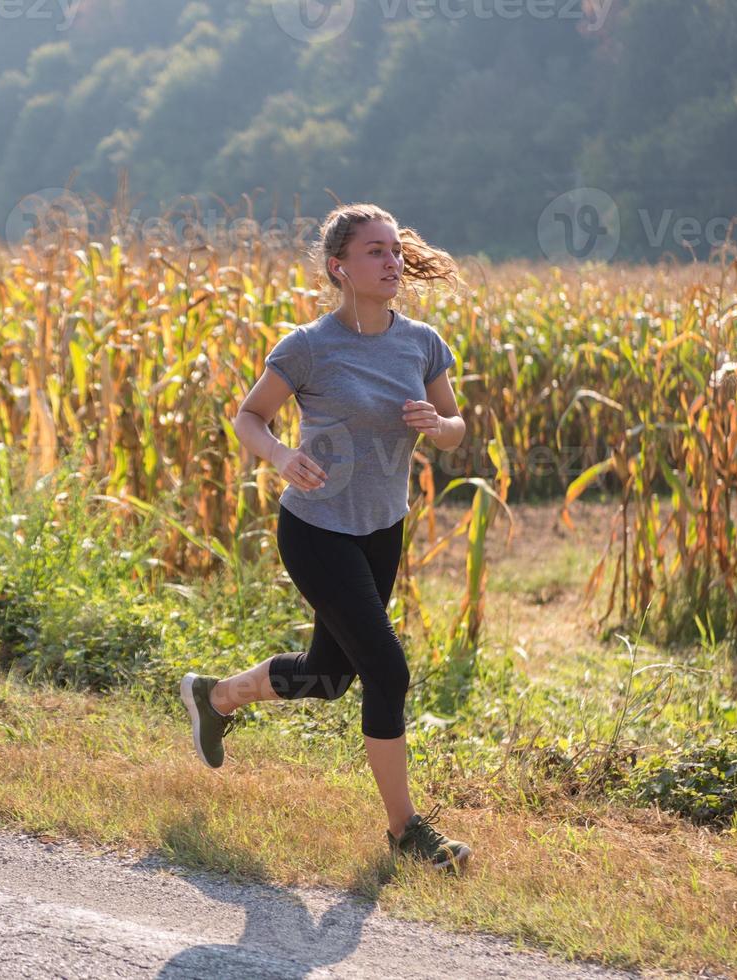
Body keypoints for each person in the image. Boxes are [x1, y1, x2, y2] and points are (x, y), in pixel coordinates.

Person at [180, 203, 472, 872]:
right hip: (315, 530)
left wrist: (437, 423)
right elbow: (247, 418)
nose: (392, 261)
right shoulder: (308, 346)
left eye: (395, 250)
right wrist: (282, 456)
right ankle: (405, 831)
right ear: (340, 267)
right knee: (386, 669)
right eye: (375, 251)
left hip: (380, 531)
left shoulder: (421, 342)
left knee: (327, 677)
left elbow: (456, 428)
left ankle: (214, 696)